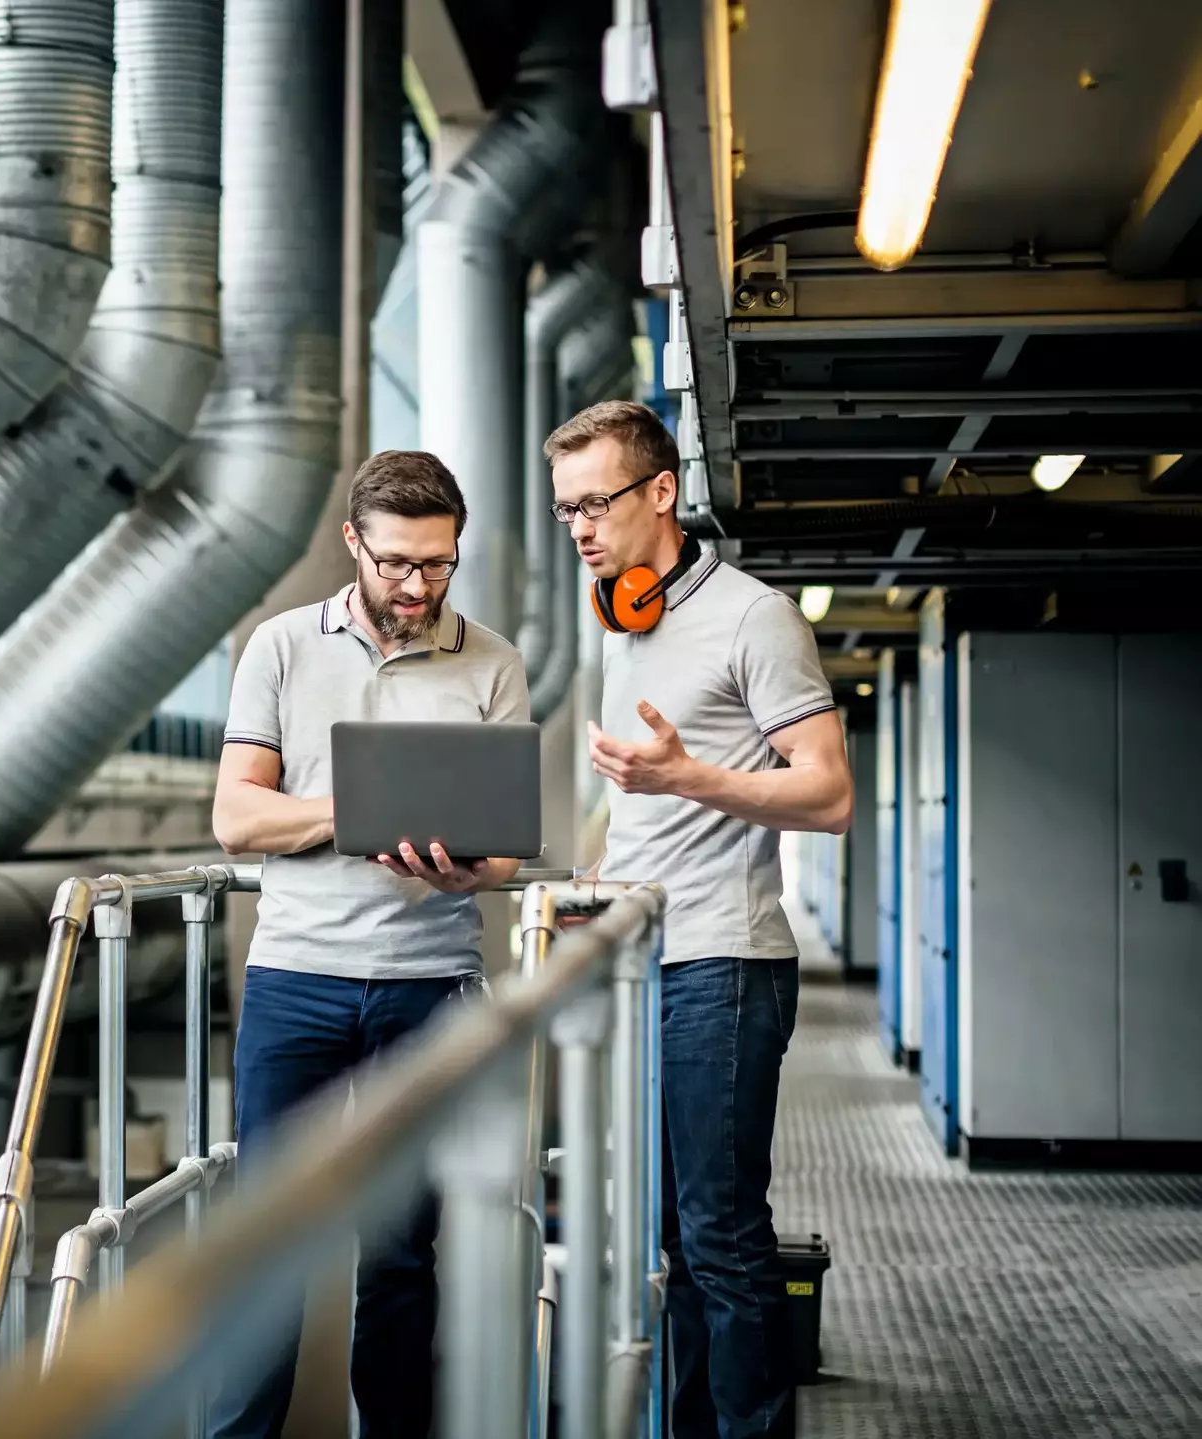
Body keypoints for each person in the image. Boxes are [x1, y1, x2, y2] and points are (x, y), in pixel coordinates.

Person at [545, 400, 852, 1439]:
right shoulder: (626, 625)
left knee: (720, 1236)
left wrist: (690, 774)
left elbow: (827, 794)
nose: (579, 527)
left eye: (594, 502)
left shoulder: (753, 616)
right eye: (563, 509)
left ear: (661, 492)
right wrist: (593, 879)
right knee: (668, 1240)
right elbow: (650, 803)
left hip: (720, 963)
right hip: (643, 961)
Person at [208, 449, 530, 1439]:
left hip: (428, 982)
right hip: (295, 981)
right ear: (354, 542)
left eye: (437, 564)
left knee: (398, 1252)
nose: (416, 586)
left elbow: (507, 855)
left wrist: (461, 866)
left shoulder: (492, 660)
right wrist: (350, 812)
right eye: (396, 563)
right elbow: (236, 818)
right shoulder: (279, 649)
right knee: (267, 1243)